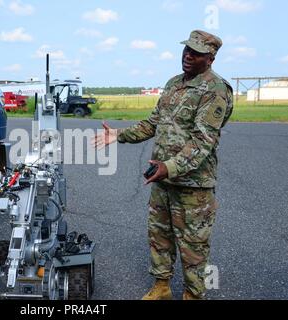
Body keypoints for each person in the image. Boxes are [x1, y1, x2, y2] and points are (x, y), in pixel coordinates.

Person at [93, 30, 233, 300]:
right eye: (186, 50)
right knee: (160, 235)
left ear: (211, 58)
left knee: (193, 244)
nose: (188, 56)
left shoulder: (216, 90)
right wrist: (119, 135)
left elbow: (203, 141)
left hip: (193, 184)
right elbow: (153, 122)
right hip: (162, 179)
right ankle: (161, 287)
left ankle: (193, 294)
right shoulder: (173, 84)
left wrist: (169, 167)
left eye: (196, 53)